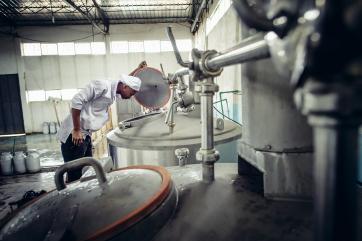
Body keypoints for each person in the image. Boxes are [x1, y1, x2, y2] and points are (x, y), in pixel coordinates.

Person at [57, 61, 147, 182]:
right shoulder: (102, 85)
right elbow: (76, 101)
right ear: (125, 86)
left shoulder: (115, 88)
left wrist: (137, 70)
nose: (131, 96)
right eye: (132, 93)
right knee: (75, 176)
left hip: (85, 135)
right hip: (74, 135)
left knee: (85, 171)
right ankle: (72, 198)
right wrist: (77, 129)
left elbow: (126, 82)